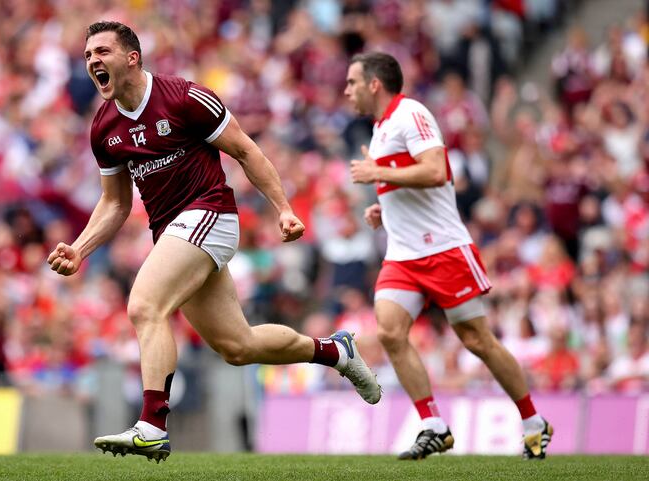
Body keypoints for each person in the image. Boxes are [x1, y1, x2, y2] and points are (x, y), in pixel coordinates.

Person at [46, 21, 381, 462]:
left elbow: (245, 150)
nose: (92, 61)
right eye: (88, 55)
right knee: (238, 347)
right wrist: (80, 248)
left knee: (144, 305)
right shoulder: (104, 128)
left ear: (132, 57)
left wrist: (283, 208)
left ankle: (152, 425)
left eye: (102, 52)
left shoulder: (183, 97)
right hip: (174, 233)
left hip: (211, 214)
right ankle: (336, 351)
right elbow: (114, 204)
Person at [343, 52, 552, 460]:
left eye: (352, 82)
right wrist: (384, 208)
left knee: (477, 339)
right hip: (403, 255)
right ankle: (433, 425)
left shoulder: (410, 114)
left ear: (373, 84)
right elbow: (411, 181)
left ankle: (533, 421)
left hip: (442, 249)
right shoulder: (382, 127)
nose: (346, 91)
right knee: (389, 331)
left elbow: (436, 171)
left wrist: (378, 175)